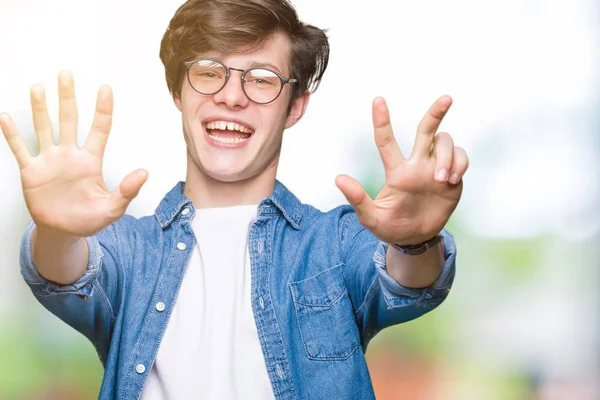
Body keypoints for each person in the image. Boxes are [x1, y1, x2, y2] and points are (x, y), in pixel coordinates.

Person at [0, 0, 469, 398]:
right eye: (209, 72)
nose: (231, 96)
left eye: (261, 79)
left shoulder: (333, 244)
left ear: (295, 106)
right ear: (177, 91)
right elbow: (64, 271)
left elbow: (408, 281)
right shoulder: (130, 250)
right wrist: (58, 230)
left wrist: (415, 241)